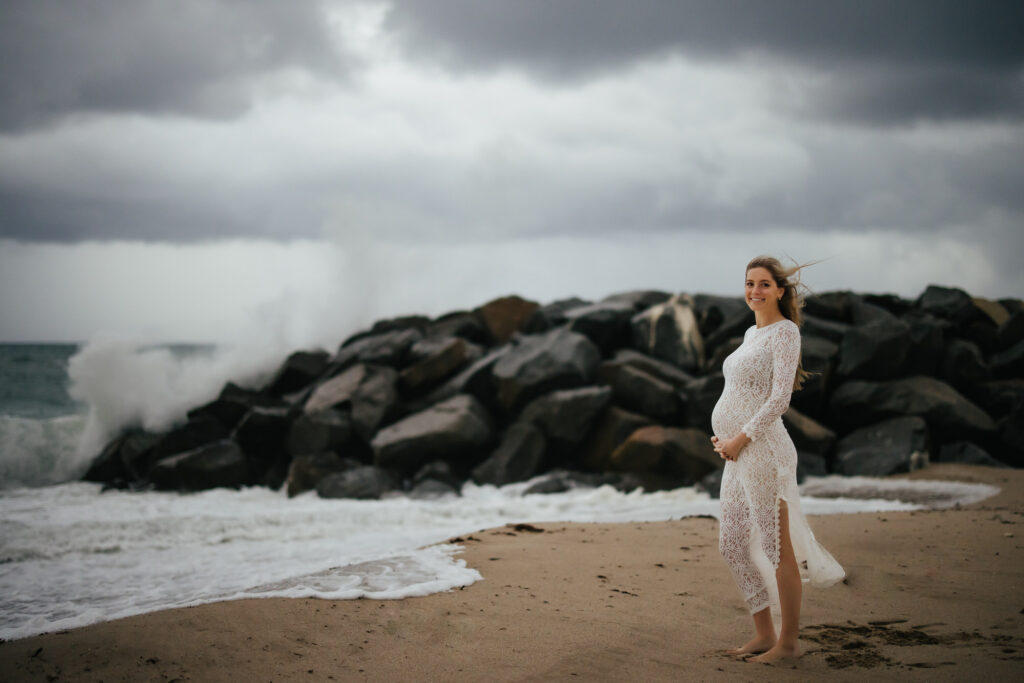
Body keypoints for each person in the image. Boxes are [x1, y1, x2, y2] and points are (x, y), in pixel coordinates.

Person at [710, 255, 845, 664]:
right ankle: (763, 633)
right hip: (738, 451)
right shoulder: (751, 334)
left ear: (780, 292)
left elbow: (779, 398)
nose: (755, 291)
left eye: (765, 284)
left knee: (776, 547)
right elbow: (741, 392)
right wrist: (727, 438)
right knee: (731, 543)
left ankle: (788, 644)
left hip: (765, 449)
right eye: (750, 283)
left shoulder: (785, 333)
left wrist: (742, 437)